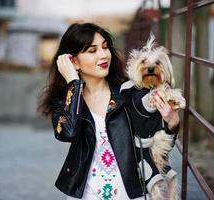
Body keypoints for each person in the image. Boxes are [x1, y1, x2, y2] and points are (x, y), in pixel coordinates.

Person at [38, 22, 180, 200]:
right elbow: (68, 133)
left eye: (105, 47)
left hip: (129, 192)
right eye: (92, 50)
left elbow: (156, 141)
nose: (103, 55)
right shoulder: (65, 100)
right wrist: (74, 84)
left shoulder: (129, 92)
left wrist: (172, 123)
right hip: (85, 193)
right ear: (74, 61)